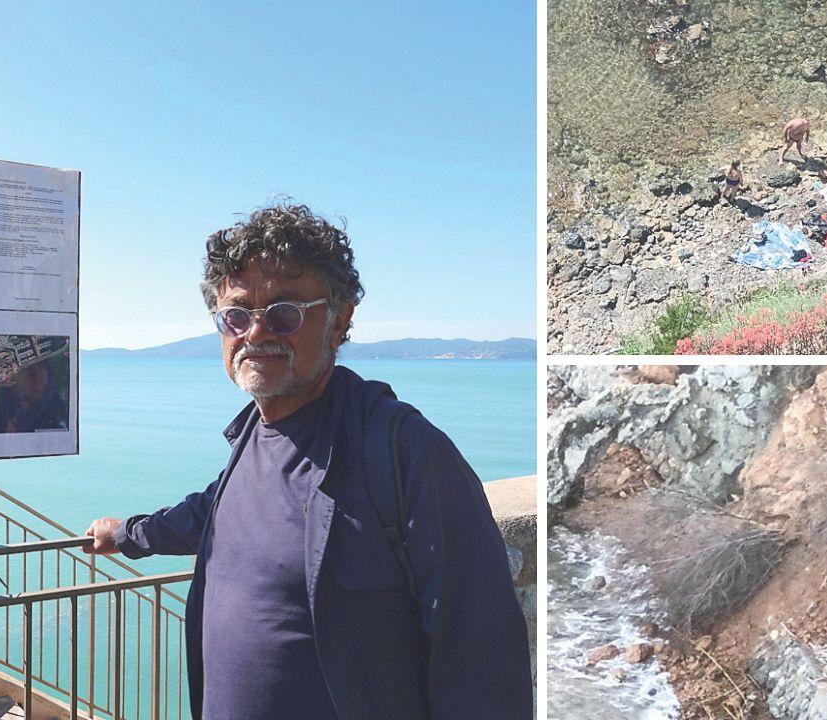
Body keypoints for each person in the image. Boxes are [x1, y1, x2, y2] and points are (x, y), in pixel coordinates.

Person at [83, 203, 532, 720]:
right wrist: (129, 534)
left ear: (339, 320)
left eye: (284, 312)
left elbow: (481, 658)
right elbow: (217, 513)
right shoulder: (254, 435)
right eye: (236, 314)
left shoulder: (405, 452)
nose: (255, 333)